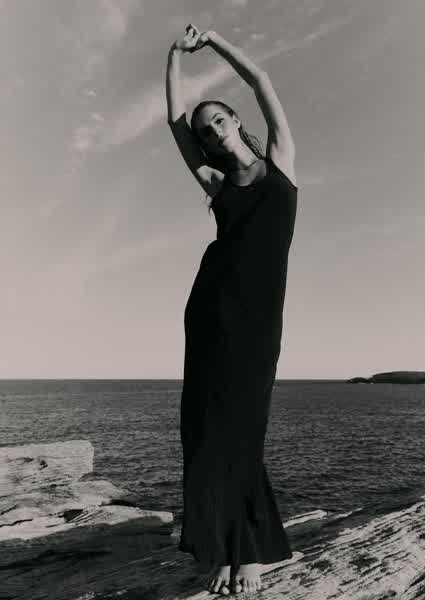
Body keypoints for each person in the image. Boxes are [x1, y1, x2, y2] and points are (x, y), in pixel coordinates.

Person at [166, 24, 298, 595]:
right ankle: (223, 549)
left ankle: (250, 550)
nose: (212, 131)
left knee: (244, 428)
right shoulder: (217, 183)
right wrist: (172, 55)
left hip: (259, 320)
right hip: (211, 310)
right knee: (205, 427)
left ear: (236, 119)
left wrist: (213, 41)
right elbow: (175, 124)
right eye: (206, 130)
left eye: (218, 119)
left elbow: (261, 78)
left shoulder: (281, 161)